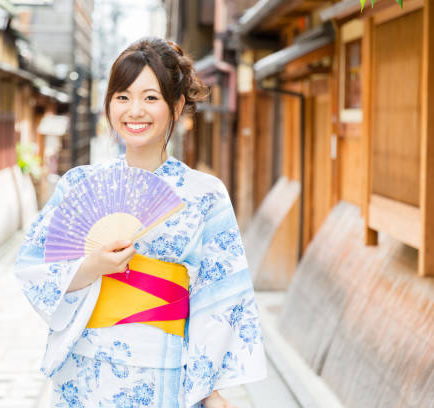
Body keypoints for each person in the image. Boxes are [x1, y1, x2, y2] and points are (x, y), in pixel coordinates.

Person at [15, 37, 267, 408]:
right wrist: (91, 267)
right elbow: (36, 267)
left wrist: (209, 389)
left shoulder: (204, 196)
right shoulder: (78, 184)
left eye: (151, 98)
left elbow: (219, 299)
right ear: (109, 105)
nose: (135, 110)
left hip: (165, 372)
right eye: (122, 97)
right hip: (86, 371)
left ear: (176, 106)